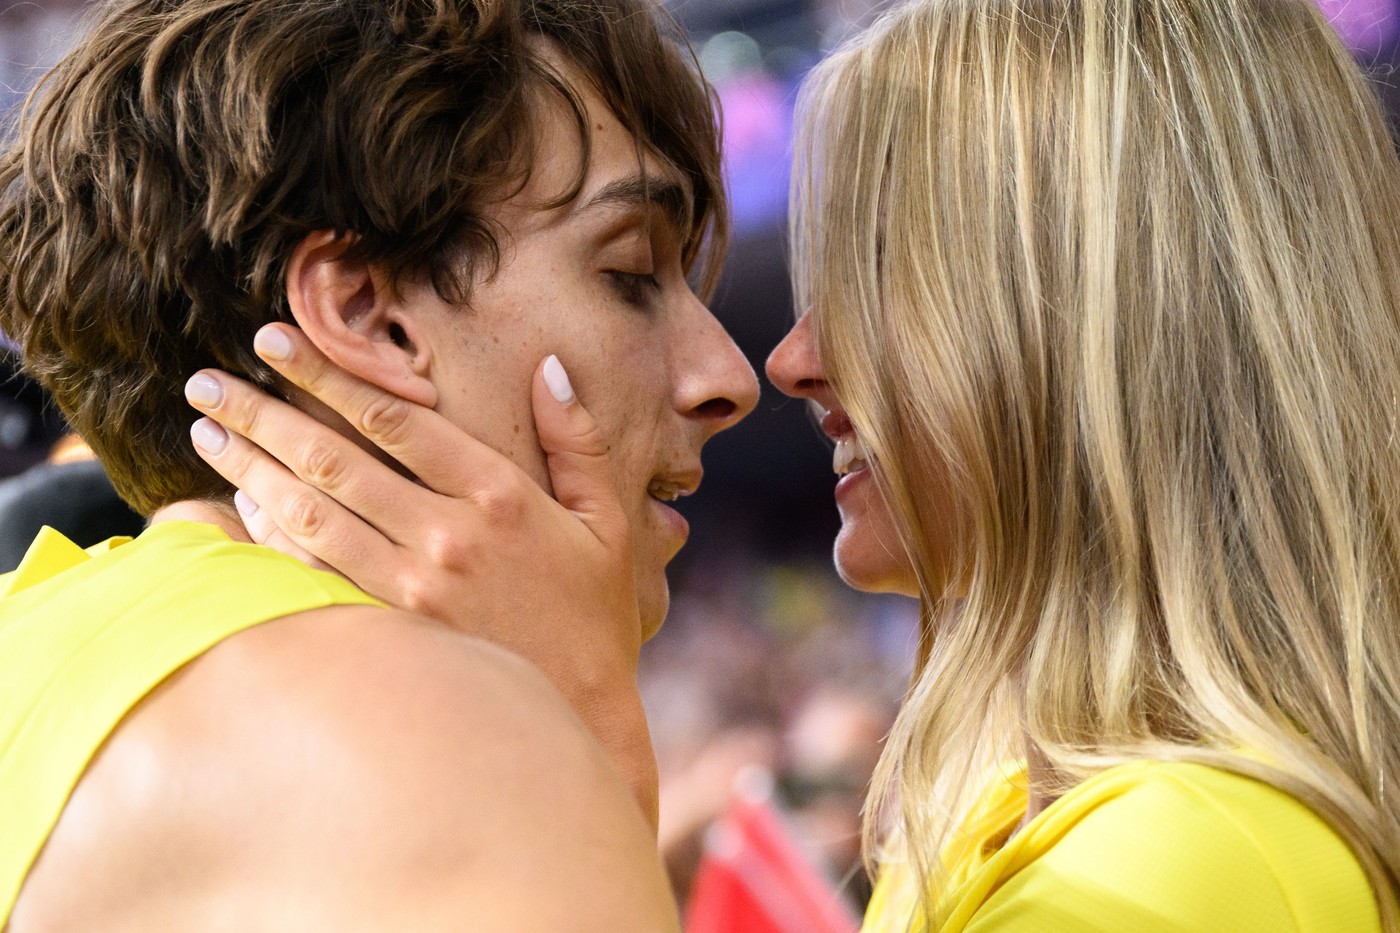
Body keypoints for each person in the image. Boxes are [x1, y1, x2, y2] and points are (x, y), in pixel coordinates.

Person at [203, 0, 1400, 929]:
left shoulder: (1186, 864)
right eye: (628, 276)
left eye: (882, 278)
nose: (787, 360)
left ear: (1096, 321)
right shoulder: (1037, 816)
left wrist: (573, 749)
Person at [0, 0, 758, 926]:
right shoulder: (439, 742)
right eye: (631, 271)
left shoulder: (37, 638)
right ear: (366, 315)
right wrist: (589, 734)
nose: (727, 375)